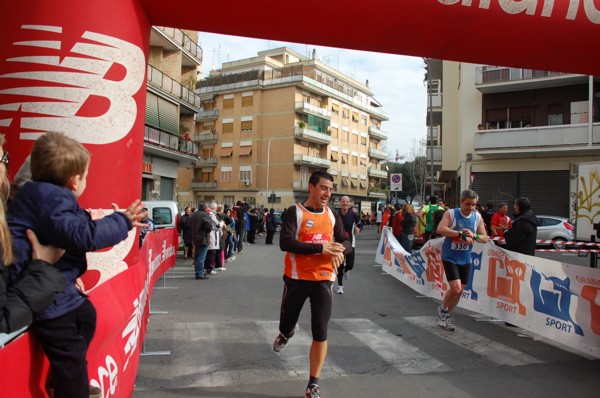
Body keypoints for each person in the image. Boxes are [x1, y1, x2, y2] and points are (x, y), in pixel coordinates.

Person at [8, 132, 146, 398]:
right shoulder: (50, 199)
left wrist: (112, 218)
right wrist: (123, 222)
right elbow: (82, 235)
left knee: (86, 316)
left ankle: (65, 380)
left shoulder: (44, 197)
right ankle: (71, 388)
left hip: (54, 283)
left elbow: (77, 223)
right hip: (42, 291)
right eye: (86, 176)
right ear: (74, 181)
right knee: (70, 353)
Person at [273, 170, 350, 398]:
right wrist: (321, 248)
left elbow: (346, 240)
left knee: (320, 331)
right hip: (296, 279)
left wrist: (341, 250)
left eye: (331, 189)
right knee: (285, 324)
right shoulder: (294, 212)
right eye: (324, 188)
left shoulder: (332, 214)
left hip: (324, 279)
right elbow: (285, 243)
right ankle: (287, 333)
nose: (328, 193)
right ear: (312, 187)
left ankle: (313, 384)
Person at [435, 189, 488, 332]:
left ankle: (446, 315)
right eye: (468, 204)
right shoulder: (451, 213)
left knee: (460, 291)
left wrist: (474, 235)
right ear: (461, 202)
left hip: (465, 258)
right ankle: (442, 310)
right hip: (450, 257)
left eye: (473, 205)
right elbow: (440, 229)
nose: (470, 208)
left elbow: (485, 238)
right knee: (456, 288)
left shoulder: (477, 217)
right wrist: (459, 233)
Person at [335, 196, 362, 294]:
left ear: (349, 203)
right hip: (339, 243)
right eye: (343, 201)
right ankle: (340, 286)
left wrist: (358, 229)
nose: (345, 203)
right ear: (340, 203)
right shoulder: (336, 214)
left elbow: (360, 225)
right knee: (339, 265)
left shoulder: (354, 214)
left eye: (347, 201)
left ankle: (347, 270)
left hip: (351, 242)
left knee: (350, 265)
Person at [191, 202, 214, 280]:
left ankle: (198, 271)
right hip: (202, 238)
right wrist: (208, 231)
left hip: (195, 237)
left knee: (197, 256)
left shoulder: (194, 214)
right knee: (201, 257)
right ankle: (199, 273)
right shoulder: (204, 215)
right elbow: (208, 225)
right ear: (205, 207)